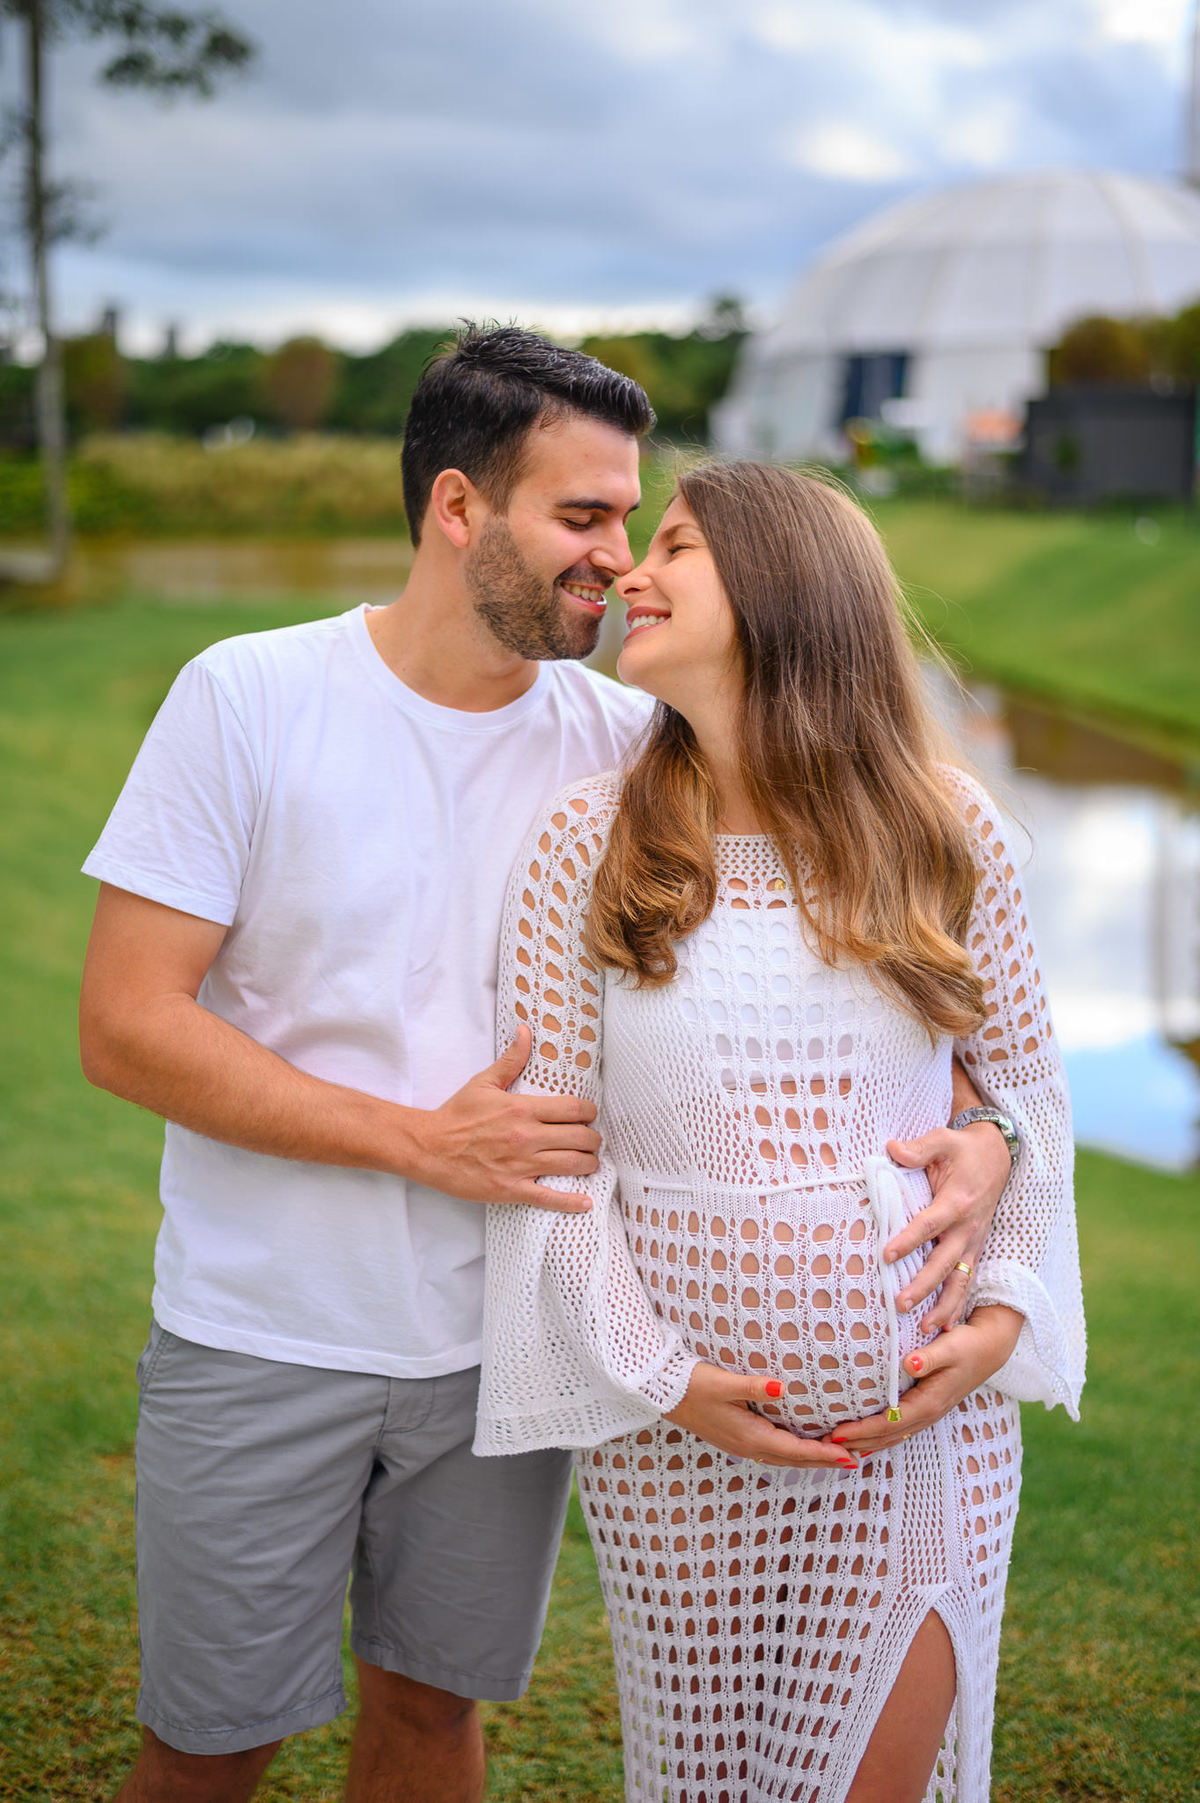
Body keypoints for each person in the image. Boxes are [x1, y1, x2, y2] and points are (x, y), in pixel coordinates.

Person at [79, 329, 1012, 1803]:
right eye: (585, 517)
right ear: (460, 510)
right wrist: (415, 1141)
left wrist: (989, 1124)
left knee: (434, 1721)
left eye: (635, 520)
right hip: (268, 1326)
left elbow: (845, 957)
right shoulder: (249, 697)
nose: (620, 558)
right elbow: (127, 1021)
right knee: (209, 1742)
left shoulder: (630, 736)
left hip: (503, 1357)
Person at [477, 462, 1085, 1803]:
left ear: (783, 591)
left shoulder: (941, 828)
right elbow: (545, 1167)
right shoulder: (589, 845)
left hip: (920, 1442)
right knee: (706, 1782)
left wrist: (1002, 1322)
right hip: (672, 1453)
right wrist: (660, 1376)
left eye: (677, 548)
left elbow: (1028, 1103)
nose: (633, 571)